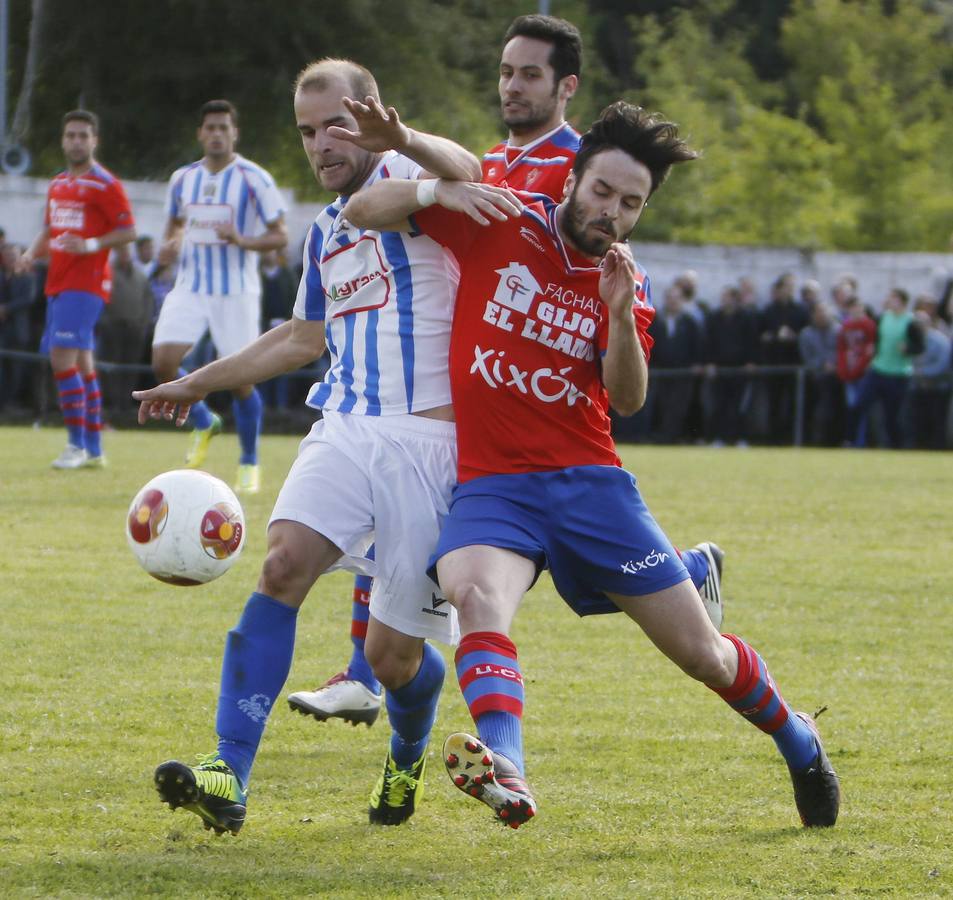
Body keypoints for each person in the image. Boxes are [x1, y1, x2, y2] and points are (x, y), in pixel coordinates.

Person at [343, 100, 839, 831]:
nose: (611, 211)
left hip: (592, 489)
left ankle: (798, 740)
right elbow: (361, 208)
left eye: (630, 203)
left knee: (702, 655)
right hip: (495, 487)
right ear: (573, 179)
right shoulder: (503, 220)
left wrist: (613, 313)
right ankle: (505, 763)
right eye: (602, 191)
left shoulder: (625, 280)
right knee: (476, 596)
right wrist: (436, 189)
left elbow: (628, 400)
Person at [288, 13, 725, 729]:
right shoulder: (500, 158)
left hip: (519, 400)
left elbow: (588, 262)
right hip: (459, 372)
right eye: (504, 71)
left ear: (565, 86)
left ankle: (378, 677)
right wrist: (411, 158)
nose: (511, 86)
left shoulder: (574, 169)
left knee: (449, 548)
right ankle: (371, 672)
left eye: (528, 74)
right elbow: (438, 185)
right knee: (402, 526)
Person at [133, 58, 483, 833]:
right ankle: (229, 774)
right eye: (305, 130)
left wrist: (414, 153)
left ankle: (407, 748)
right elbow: (299, 338)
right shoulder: (326, 228)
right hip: (346, 431)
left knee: (394, 661)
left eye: (336, 124)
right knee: (282, 564)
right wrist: (197, 382)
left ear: (371, 115)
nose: (320, 143)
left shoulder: (415, 185)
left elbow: (470, 169)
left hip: (433, 448)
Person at [150, 99, 288, 494]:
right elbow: (175, 225)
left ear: (234, 133)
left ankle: (249, 462)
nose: (216, 134)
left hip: (236, 291)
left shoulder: (253, 178)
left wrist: (242, 239)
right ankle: (204, 420)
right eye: (209, 127)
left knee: (242, 381)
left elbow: (280, 235)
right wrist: (169, 247)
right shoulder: (183, 179)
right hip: (190, 285)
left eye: (223, 128)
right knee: (163, 362)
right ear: (200, 133)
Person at [17, 109, 136, 467]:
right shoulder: (57, 184)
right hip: (59, 282)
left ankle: (76, 445)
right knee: (84, 365)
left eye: (83, 135)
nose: (77, 141)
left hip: (85, 285)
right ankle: (95, 450)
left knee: (61, 359)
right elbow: (50, 229)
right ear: (63, 140)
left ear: (94, 140)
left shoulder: (106, 184)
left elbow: (127, 231)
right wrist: (29, 254)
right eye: (71, 135)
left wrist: (89, 245)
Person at [852, 288, 921, 448]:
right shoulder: (883, 318)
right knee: (859, 404)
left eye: (893, 298)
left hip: (898, 374)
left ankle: (896, 446)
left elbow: (919, 346)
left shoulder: (911, 322)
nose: (889, 301)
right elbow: (877, 340)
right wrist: (873, 353)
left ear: (902, 301)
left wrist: (908, 349)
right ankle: (851, 440)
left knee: (893, 415)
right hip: (878, 370)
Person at [98, 243, 153, 415]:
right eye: (121, 251)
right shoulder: (107, 272)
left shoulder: (140, 276)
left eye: (127, 251)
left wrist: (143, 323)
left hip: (134, 328)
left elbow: (148, 300)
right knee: (111, 367)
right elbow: (100, 298)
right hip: (113, 327)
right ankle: (112, 402)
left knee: (131, 366)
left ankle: (126, 403)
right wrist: (105, 322)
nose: (125, 254)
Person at [836, 297, 877, 447]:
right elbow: (841, 349)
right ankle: (851, 440)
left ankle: (859, 441)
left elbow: (870, 349)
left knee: (859, 406)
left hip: (863, 372)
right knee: (851, 406)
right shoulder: (845, 327)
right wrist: (843, 369)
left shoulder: (869, 325)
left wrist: (862, 366)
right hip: (849, 370)